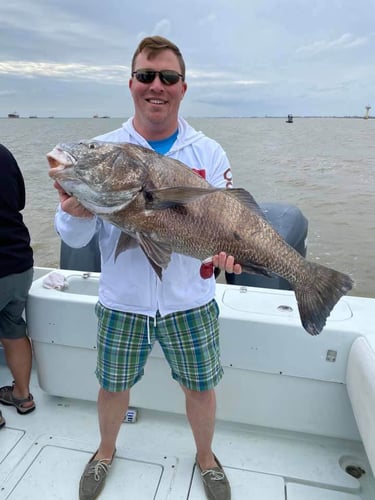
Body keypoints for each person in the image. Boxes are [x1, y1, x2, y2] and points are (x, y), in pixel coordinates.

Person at [53, 36, 241, 500]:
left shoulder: (208, 154)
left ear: (182, 87)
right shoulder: (105, 151)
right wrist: (73, 213)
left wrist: (227, 258)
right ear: (131, 83)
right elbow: (75, 240)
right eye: (145, 76)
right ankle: (104, 452)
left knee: (200, 387)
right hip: (123, 303)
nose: (156, 86)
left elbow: (231, 223)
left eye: (168, 78)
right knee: (112, 386)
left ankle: (206, 459)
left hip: (190, 302)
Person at [0, 144, 35, 429]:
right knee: (13, 327)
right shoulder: (4, 153)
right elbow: (20, 201)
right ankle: (22, 396)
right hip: (19, 261)